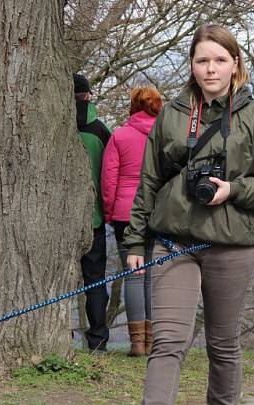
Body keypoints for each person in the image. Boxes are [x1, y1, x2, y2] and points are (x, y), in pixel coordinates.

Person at [118, 25, 254, 405]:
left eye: (219, 59)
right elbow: (149, 181)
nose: (210, 68)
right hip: (174, 241)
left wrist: (234, 189)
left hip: (231, 246)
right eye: (202, 61)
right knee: (169, 340)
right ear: (192, 66)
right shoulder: (173, 114)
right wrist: (135, 240)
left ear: (235, 63)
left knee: (222, 343)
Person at [101, 86, 162, 357]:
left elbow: (109, 179)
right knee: (152, 276)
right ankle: (152, 341)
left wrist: (109, 211)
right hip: (158, 212)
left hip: (125, 214)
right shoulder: (164, 137)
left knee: (134, 276)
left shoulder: (120, 135)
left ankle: (137, 343)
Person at [74, 73, 111, 354]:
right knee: (95, 282)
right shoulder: (101, 131)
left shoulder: (52, 128)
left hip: (56, 221)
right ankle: (97, 341)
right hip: (94, 218)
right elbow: (110, 175)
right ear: (89, 95)